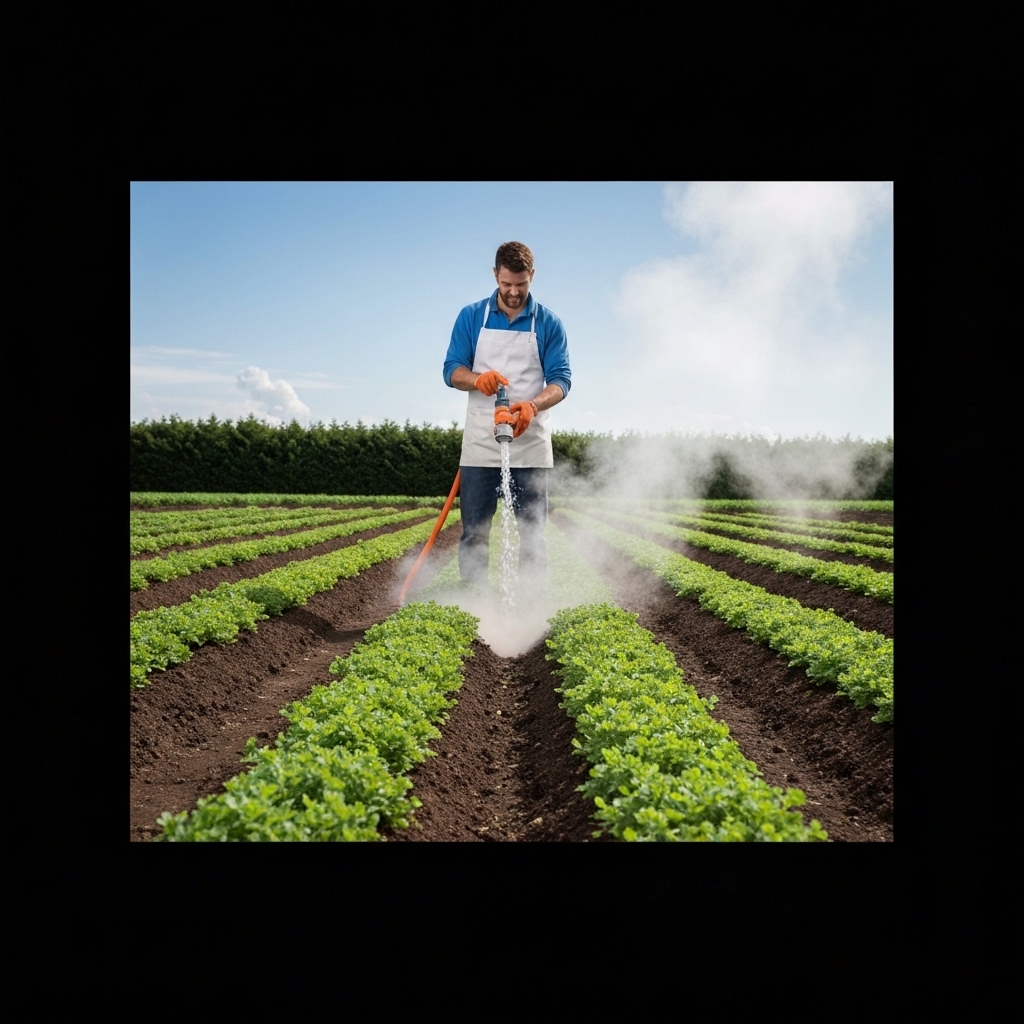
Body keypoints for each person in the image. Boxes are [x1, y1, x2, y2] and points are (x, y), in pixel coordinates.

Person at [443, 241, 571, 588]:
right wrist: (475, 378)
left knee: (533, 535)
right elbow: (451, 370)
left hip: (529, 443)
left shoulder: (548, 323)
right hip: (481, 446)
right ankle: (473, 608)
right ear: (495, 275)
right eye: (506, 284)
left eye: (521, 284)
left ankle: (530, 614)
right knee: (475, 534)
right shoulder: (472, 316)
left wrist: (532, 405)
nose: (513, 293)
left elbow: (561, 381)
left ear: (532, 276)